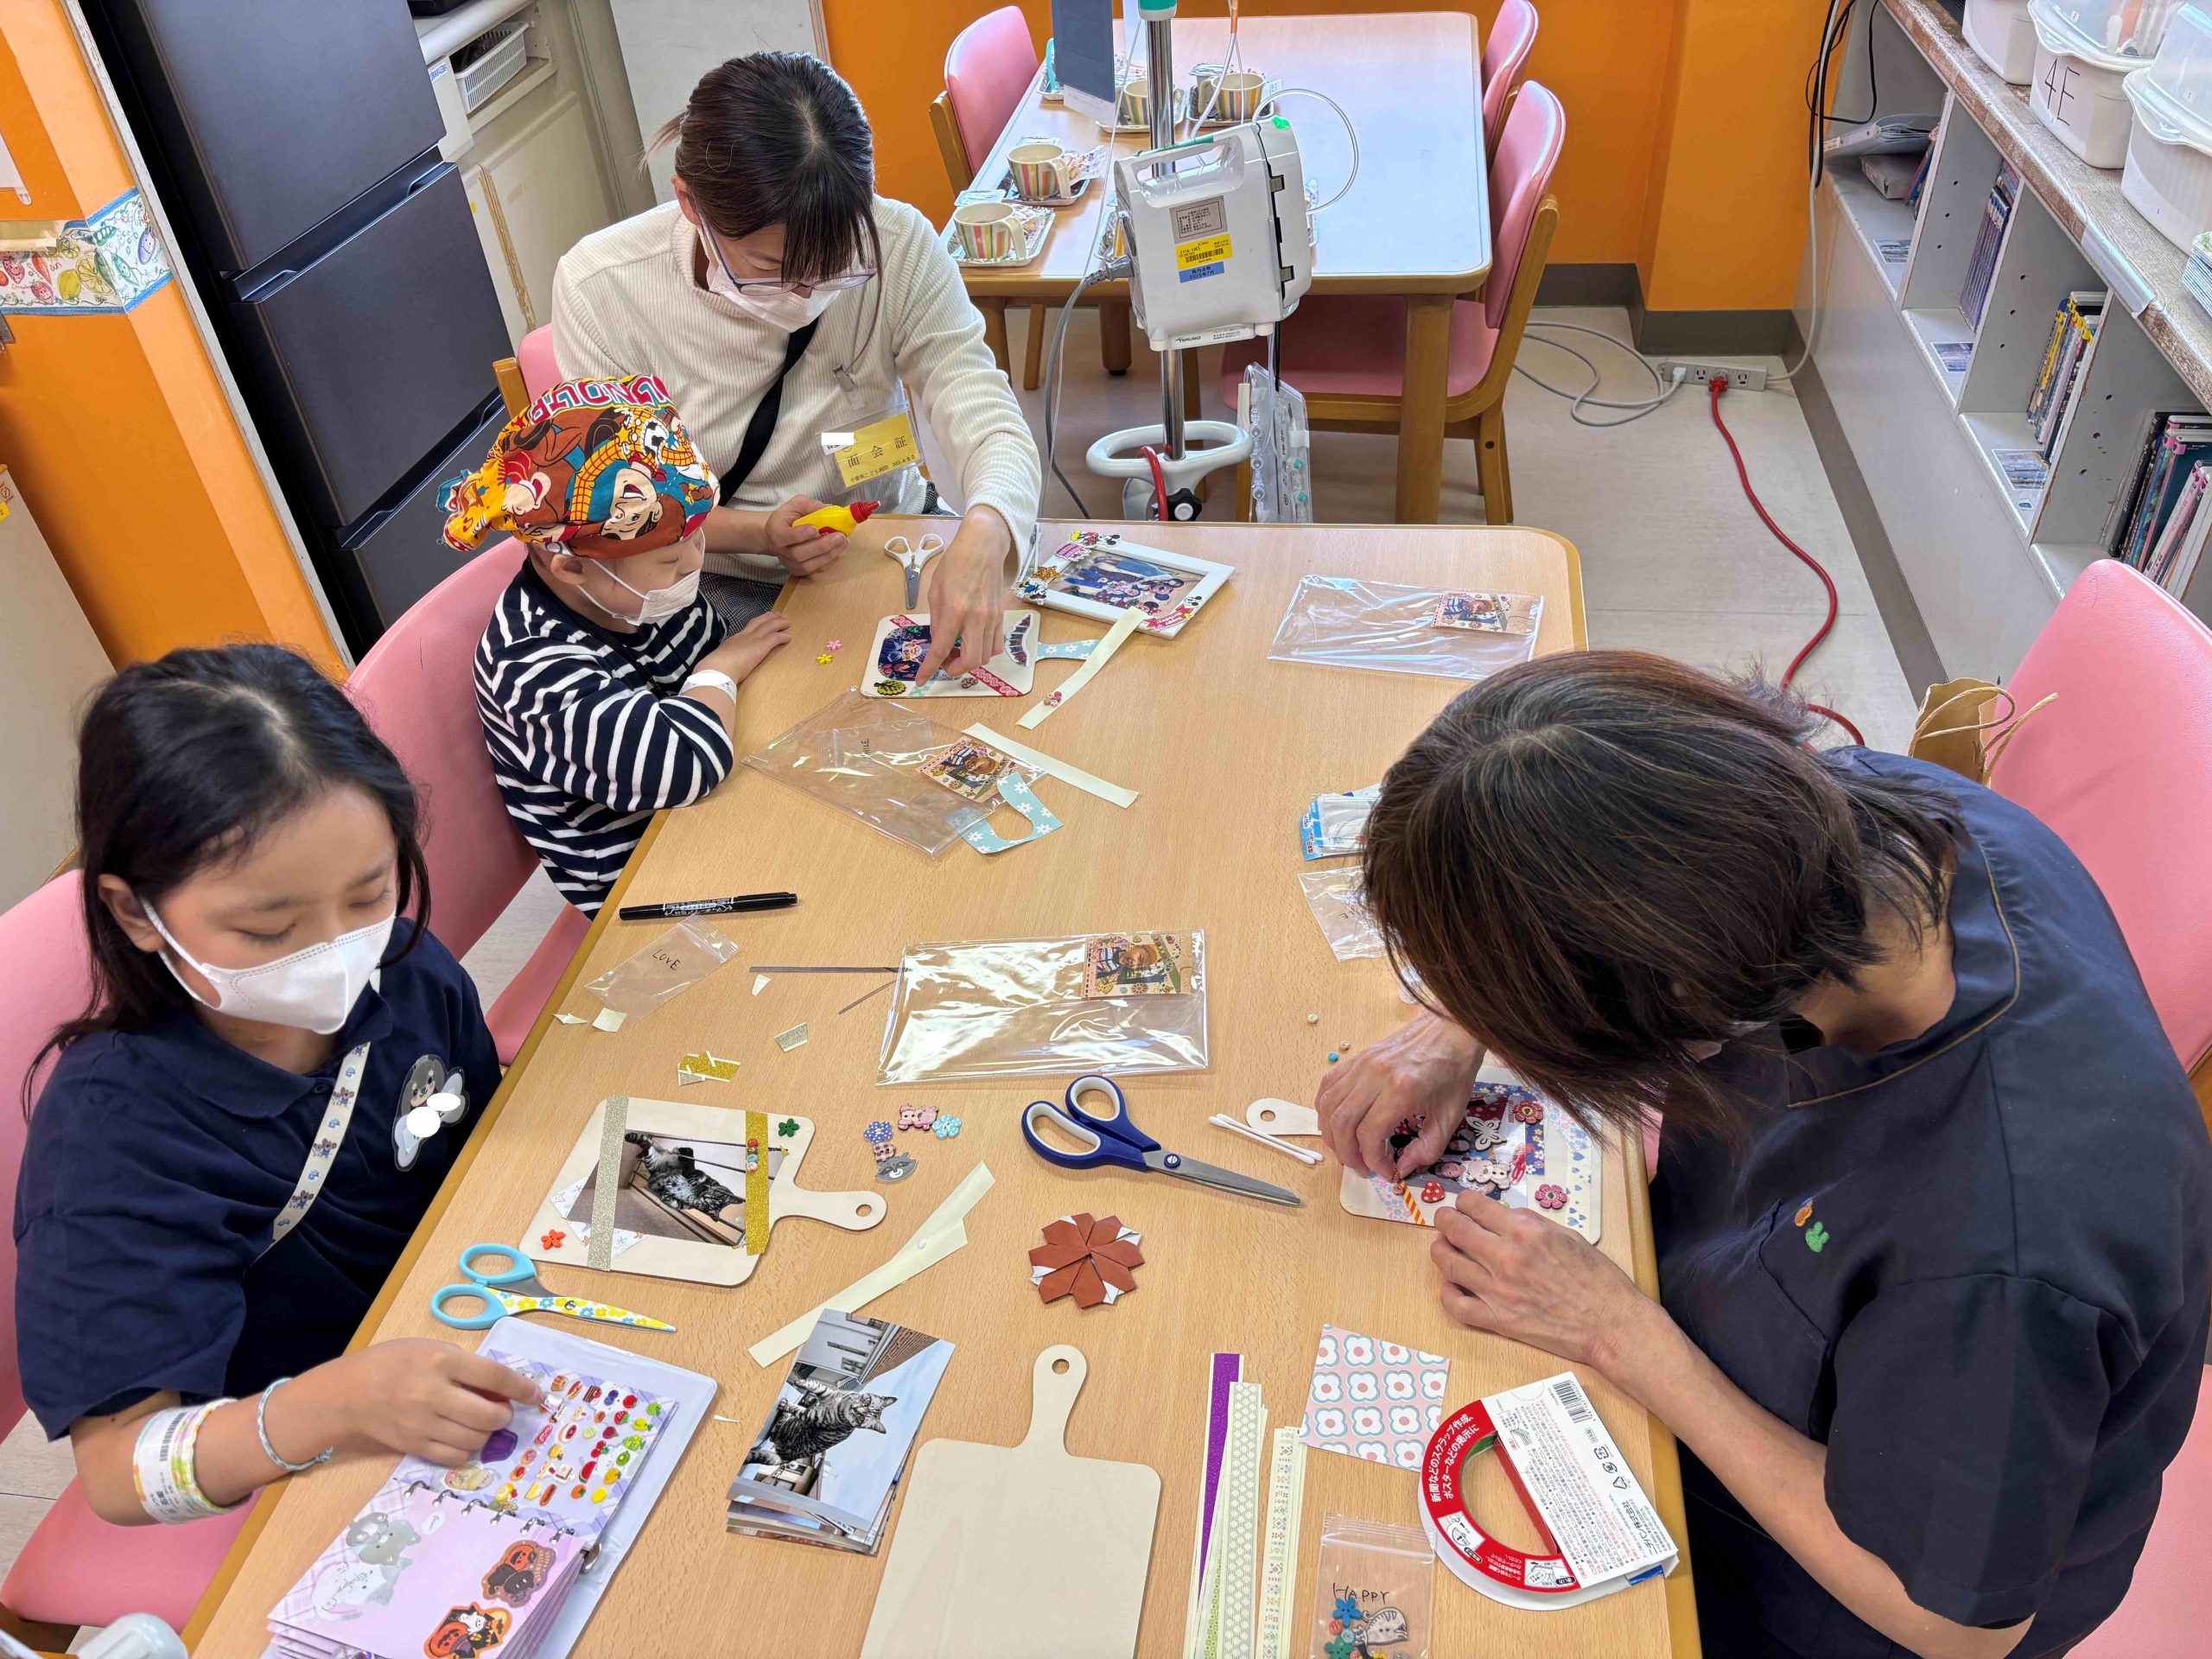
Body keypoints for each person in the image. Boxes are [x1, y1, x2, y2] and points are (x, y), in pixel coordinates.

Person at [1324, 652, 2210, 1659]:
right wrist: (1457, 1026)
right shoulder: (1850, 817)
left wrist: (1623, 1335)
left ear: (1670, 992)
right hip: (1749, 1323)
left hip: (1842, 1584)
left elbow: (1957, 1626)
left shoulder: (1998, 1248)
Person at [15, 645, 539, 1526]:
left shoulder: (405, 969)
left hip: (467, 1316)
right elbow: (118, 1473)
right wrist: (331, 1406)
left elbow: (488, 1140)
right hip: (308, 1445)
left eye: (368, 895)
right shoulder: (112, 1143)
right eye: (268, 929)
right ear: (135, 911)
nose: (336, 951)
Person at [550, 50, 1040, 684]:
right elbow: (626, 506)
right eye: (771, 269)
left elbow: (980, 404)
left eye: (835, 266)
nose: (807, 294)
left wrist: (988, 528)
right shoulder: (603, 286)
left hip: (885, 533)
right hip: (715, 576)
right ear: (690, 204)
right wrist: (759, 534)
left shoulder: (898, 243)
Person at [452, 372, 790, 915]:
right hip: (645, 881)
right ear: (571, 567)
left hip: (709, 808)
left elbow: (713, 662)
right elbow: (685, 764)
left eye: (697, 538)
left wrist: (719, 666)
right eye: (670, 559)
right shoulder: (531, 667)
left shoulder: (634, 593)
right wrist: (720, 670)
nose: (695, 564)